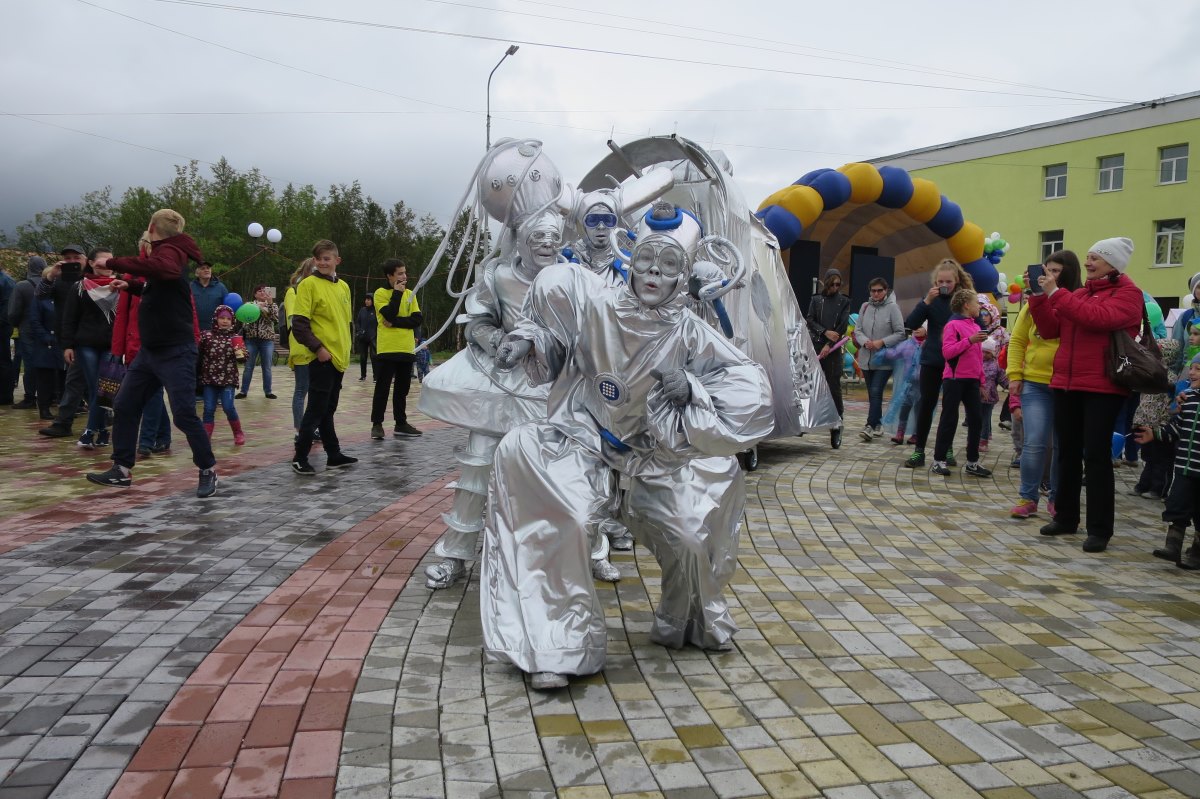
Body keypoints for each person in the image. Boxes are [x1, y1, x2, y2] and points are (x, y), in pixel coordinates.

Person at [485, 201, 775, 690]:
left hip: (656, 459)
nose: (653, 275)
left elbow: (752, 387)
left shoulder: (691, 332)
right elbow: (551, 328)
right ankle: (558, 644)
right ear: (631, 261)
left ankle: (685, 622)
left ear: (682, 276)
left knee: (687, 535)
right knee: (560, 507)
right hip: (583, 438)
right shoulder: (594, 302)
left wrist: (694, 389)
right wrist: (527, 341)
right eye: (645, 262)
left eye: (667, 267)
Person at [85, 209, 218, 498]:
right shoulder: (168, 252)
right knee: (125, 404)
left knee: (183, 415)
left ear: (151, 227)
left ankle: (207, 469)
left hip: (176, 351)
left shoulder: (168, 252)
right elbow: (158, 286)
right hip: (150, 351)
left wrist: (112, 262)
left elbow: (166, 271)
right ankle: (121, 470)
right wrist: (130, 284)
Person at [1029, 237, 1144, 553]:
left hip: (1103, 387)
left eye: (1096, 258)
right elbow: (1052, 330)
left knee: (1095, 457)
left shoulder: (1128, 294)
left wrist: (1057, 293)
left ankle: (1099, 529)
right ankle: (1066, 518)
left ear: (1114, 263)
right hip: (1067, 383)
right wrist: (1039, 298)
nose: (1089, 262)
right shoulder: (1079, 293)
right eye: (1089, 257)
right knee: (1067, 452)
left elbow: (1098, 319)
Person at [1007, 250, 1081, 519]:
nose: (1048, 275)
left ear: (1069, 273)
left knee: (1064, 445)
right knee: (1035, 442)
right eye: (1046, 269)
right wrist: (1015, 375)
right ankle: (1028, 497)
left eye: (1056, 271)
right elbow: (1016, 341)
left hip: (1067, 383)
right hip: (1035, 383)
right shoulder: (1032, 304)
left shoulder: (1076, 301)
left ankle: (1058, 498)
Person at [289, 240, 358, 475]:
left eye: (327, 258)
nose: (322, 262)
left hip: (340, 359)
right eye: (318, 259)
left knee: (328, 409)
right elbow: (299, 324)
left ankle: (334, 455)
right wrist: (318, 349)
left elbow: (345, 322)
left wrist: (347, 349)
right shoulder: (308, 285)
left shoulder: (344, 287)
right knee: (315, 410)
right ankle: (300, 457)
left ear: (337, 260)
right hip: (321, 358)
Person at [903, 259, 975, 468]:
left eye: (949, 281)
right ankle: (919, 451)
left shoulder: (963, 301)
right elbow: (911, 324)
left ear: (957, 281)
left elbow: (976, 324)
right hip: (932, 360)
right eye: (940, 281)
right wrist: (926, 301)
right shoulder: (931, 300)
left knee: (950, 408)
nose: (944, 285)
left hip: (955, 363)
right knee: (926, 405)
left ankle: (946, 449)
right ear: (935, 282)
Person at [1135, 352, 1200, 568]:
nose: (1191, 372)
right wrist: (1155, 433)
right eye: (1191, 367)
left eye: (1197, 369)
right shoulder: (1188, 399)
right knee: (1177, 504)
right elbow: (1176, 428)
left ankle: (1197, 553)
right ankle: (1173, 546)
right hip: (1183, 467)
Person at [58, 248, 119, 449]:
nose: (107, 266)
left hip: (113, 345)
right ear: (91, 263)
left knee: (105, 390)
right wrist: (67, 345)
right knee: (95, 387)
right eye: (102, 262)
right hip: (86, 344)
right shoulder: (80, 287)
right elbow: (69, 318)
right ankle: (98, 431)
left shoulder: (122, 285)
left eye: (111, 261)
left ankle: (93, 431)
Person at [930, 289, 991, 477]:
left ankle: (972, 462)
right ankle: (938, 460)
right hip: (954, 379)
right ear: (966, 305)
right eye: (976, 303)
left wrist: (982, 382)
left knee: (976, 420)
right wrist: (969, 340)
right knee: (949, 419)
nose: (979, 307)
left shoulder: (974, 326)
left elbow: (978, 357)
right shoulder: (953, 325)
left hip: (972, 380)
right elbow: (948, 352)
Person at [370, 259, 422, 440]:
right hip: (387, 349)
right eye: (400, 273)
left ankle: (401, 423)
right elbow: (389, 313)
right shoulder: (380, 293)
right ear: (390, 276)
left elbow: (417, 320)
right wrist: (397, 294)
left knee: (402, 389)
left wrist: (396, 323)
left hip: (406, 349)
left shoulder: (411, 294)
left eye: (405, 272)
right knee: (382, 388)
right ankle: (377, 424)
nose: (404, 276)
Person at [854, 277, 905, 441]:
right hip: (866, 358)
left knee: (876, 391)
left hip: (884, 359)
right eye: (873, 290)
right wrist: (865, 342)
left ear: (886, 291)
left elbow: (900, 333)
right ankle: (878, 424)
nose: (876, 294)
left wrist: (881, 342)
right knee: (872, 394)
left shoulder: (893, 308)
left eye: (879, 290)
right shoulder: (864, 307)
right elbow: (858, 329)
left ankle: (869, 425)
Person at [1129, 339, 1181, 499]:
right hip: (1146, 423)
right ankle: (1143, 484)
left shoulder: (1169, 378)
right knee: (1148, 456)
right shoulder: (1150, 373)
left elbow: (1170, 403)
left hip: (1161, 425)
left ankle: (1158, 488)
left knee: (1162, 459)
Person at [806, 269, 851, 447]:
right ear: (826, 282)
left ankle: (837, 422)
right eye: (832, 283)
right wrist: (824, 332)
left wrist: (829, 345)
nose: (835, 287)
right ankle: (811, 417)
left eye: (838, 284)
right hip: (816, 344)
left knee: (834, 386)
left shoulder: (844, 301)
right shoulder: (816, 300)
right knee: (811, 383)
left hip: (833, 349)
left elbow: (842, 326)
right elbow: (810, 319)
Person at [199, 305, 245, 444]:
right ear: (215, 319)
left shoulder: (235, 338)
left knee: (228, 407)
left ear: (232, 321)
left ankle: (238, 432)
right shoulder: (206, 336)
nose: (225, 321)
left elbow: (243, 358)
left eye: (228, 319)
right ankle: (205, 435)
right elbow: (197, 352)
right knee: (209, 408)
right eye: (221, 318)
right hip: (209, 379)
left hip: (228, 379)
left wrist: (240, 354)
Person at [8, 256, 46, 409]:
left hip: (28, 328)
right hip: (48, 329)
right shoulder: (52, 284)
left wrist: (15, 324)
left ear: (29, 268)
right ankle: (51, 396)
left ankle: (30, 397)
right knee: (49, 363)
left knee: (30, 363)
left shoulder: (22, 286)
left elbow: (13, 312)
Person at [282, 259, 315, 433]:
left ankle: (310, 426)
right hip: (301, 346)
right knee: (301, 389)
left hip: (315, 347)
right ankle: (300, 428)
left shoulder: (313, 289)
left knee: (313, 390)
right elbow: (296, 321)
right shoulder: (293, 292)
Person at [27, 264, 63, 421]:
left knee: (64, 377)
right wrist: (46, 337)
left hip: (63, 342)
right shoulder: (40, 299)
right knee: (45, 379)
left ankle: (67, 407)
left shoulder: (64, 298)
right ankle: (44, 408)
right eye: (53, 278)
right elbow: (34, 320)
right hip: (46, 343)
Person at [884, 326, 925, 444]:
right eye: (915, 327)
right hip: (909, 382)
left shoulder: (929, 344)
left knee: (919, 409)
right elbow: (894, 353)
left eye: (921, 327)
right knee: (904, 407)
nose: (917, 329)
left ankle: (917, 434)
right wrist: (883, 352)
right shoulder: (907, 344)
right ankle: (900, 433)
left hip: (924, 383)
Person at [237, 284, 279, 399]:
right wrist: (255, 308)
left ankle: (268, 391)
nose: (262, 292)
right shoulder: (249, 305)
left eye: (264, 291)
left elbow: (274, 319)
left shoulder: (273, 305)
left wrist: (268, 304)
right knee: (248, 367)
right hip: (251, 340)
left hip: (267, 341)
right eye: (259, 291)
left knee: (267, 367)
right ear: (255, 294)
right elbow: (244, 320)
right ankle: (243, 391)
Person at [979, 338, 1009, 453]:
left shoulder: (996, 365)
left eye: (987, 352)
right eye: (982, 351)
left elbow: (1002, 379)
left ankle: (983, 440)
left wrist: (1009, 386)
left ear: (992, 353)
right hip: (975, 396)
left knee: (985, 418)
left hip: (989, 397)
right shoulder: (976, 361)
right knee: (976, 418)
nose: (984, 355)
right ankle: (973, 438)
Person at [1168, 272, 1200, 373]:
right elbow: (1177, 351)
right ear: (1194, 291)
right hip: (1190, 373)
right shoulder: (1186, 317)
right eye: (1199, 287)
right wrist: (1173, 375)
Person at [189, 261, 228, 331]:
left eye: (208, 268)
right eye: (203, 268)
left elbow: (227, 309)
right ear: (197, 273)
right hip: (193, 330)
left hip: (215, 330)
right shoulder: (190, 287)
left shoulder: (221, 287)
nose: (206, 270)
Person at [354, 295, 377, 382]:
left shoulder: (376, 311)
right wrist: (359, 331)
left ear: (372, 301)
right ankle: (363, 375)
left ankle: (376, 376)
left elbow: (379, 324)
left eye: (369, 299)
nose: (366, 301)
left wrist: (376, 334)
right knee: (363, 357)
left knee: (374, 357)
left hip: (373, 337)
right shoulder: (362, 310)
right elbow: (358, 322)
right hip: (363, 337)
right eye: (366, 299)